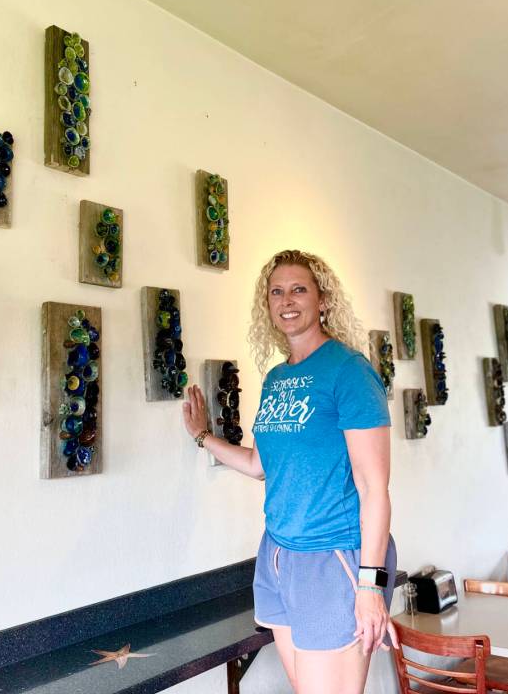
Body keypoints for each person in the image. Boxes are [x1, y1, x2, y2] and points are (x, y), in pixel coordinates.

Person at [183, 249, 397, 694]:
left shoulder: (349, 372)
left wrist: (371, 586)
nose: (287, 300)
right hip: (278, 554)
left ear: (323, 300)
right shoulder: (277, 378)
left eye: (299, 288)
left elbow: (374, 488)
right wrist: (203, 436)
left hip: (335, 556)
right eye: (276, 291)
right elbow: (260, 465)